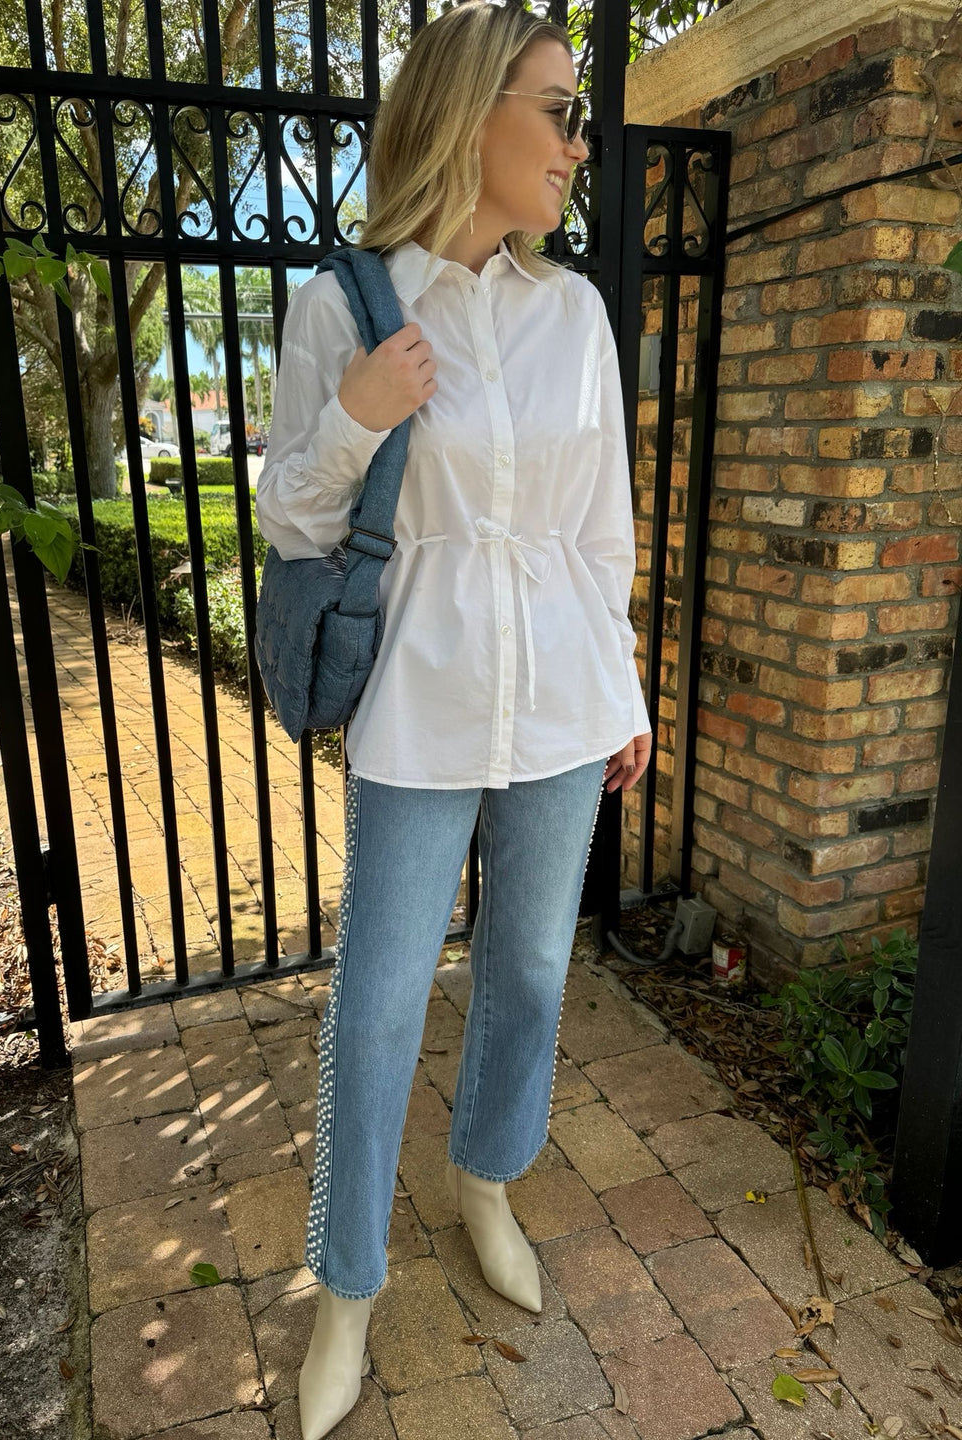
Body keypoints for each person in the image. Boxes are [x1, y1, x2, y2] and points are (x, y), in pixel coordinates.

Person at [255, 3, 652, 1435]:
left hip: (560, 706)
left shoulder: (576, 314)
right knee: (376, 1010)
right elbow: (294, 518)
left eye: (578, 111)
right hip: (418, 714)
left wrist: (626, 684)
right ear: (470, 114)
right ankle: (345, 1294)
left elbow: (602, 528)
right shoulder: (347, 305)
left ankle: (485, 1183)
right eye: (555, 107)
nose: (575, 141)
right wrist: (360, 414)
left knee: (534, 978)